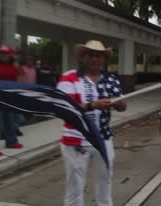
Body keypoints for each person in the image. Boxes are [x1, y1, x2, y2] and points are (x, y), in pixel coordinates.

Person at [56, 40, 127, 206]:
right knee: (75, 188)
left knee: (105, 183)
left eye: (99, 55)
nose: (95, 59)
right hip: (76, 139)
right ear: (83, 57)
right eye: (91, 55)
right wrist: (91, 105)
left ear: (103, 59)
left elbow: (123, 106)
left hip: (103, 138)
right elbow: (63, 109)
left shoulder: (111, 79)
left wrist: (118, 102)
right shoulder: (70, 77)